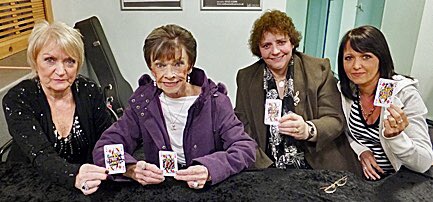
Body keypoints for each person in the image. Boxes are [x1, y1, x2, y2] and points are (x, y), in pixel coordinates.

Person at [92, 24, 256, 189]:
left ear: (190, 66)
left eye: (178, 64)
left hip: (208, 190)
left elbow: (245, 148)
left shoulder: (215, 102)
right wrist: (130, 169)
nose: (169, 75)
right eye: (160, 65)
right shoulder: (143, 104)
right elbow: (104, 148)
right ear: (151, 68)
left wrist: (210, 169)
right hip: (162, 190)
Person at [235, 10, 359, 172]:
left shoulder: (318, 69)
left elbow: (335, 119)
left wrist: (308, 129)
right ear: (258, 50)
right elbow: (242, 126)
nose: (275, 51)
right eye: (267, 45)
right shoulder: (246, 77)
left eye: (281, 42)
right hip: (266, 167)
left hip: (316, 165)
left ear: (292, 42)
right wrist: (263, 167)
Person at [2, 21, 114, 194]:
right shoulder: (19, 98)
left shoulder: (89, 90)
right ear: (35, 61)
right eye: (50, 60)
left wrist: (128, 165)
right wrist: (74, 175)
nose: (61, 71)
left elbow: (109, 139)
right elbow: (41, 155)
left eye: (70, 61)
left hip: (83, 184)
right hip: (30, 185)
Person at [337, 25, 433, 180]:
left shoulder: (403, 94)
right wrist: (361, 151)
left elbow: (423, 163)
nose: (355, 66)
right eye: (349, 58)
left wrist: (395, 137)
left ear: (381, 58)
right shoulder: (347, 90)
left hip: (398, 180)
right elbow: (346, 132)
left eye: (366, 57)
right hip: (359, 175)